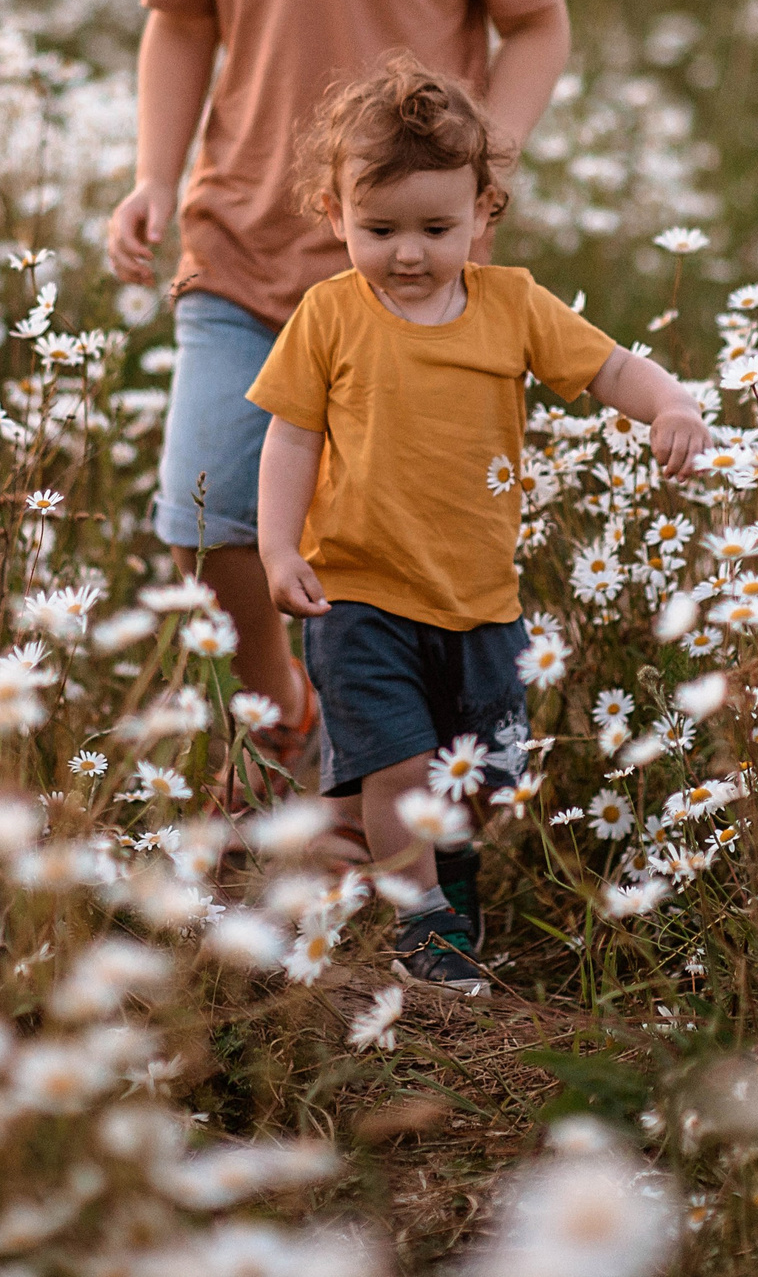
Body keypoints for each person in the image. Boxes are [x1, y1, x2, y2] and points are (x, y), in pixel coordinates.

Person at [104, 0, 573, 793]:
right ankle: (280, 713)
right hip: (240, 237)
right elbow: (179, 24)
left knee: (378, 539)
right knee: (205, 514)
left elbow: (537, 26)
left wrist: (484, 174)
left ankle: (377, 778)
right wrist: (155, 176)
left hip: (405, 268)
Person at [247, 59, 712, 991]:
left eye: (436, 228)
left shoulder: (512, 307)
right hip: (360, 593)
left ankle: (448, 882)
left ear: (482, 214)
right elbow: (291, 439)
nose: (408, 253)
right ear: (334, 212)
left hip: (479, 598)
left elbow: (611, 369)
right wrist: (276, 544)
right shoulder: (330, 314)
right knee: (398, 768)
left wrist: (669, 401)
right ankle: (421, 923)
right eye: (379, 229)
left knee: (477, 776)